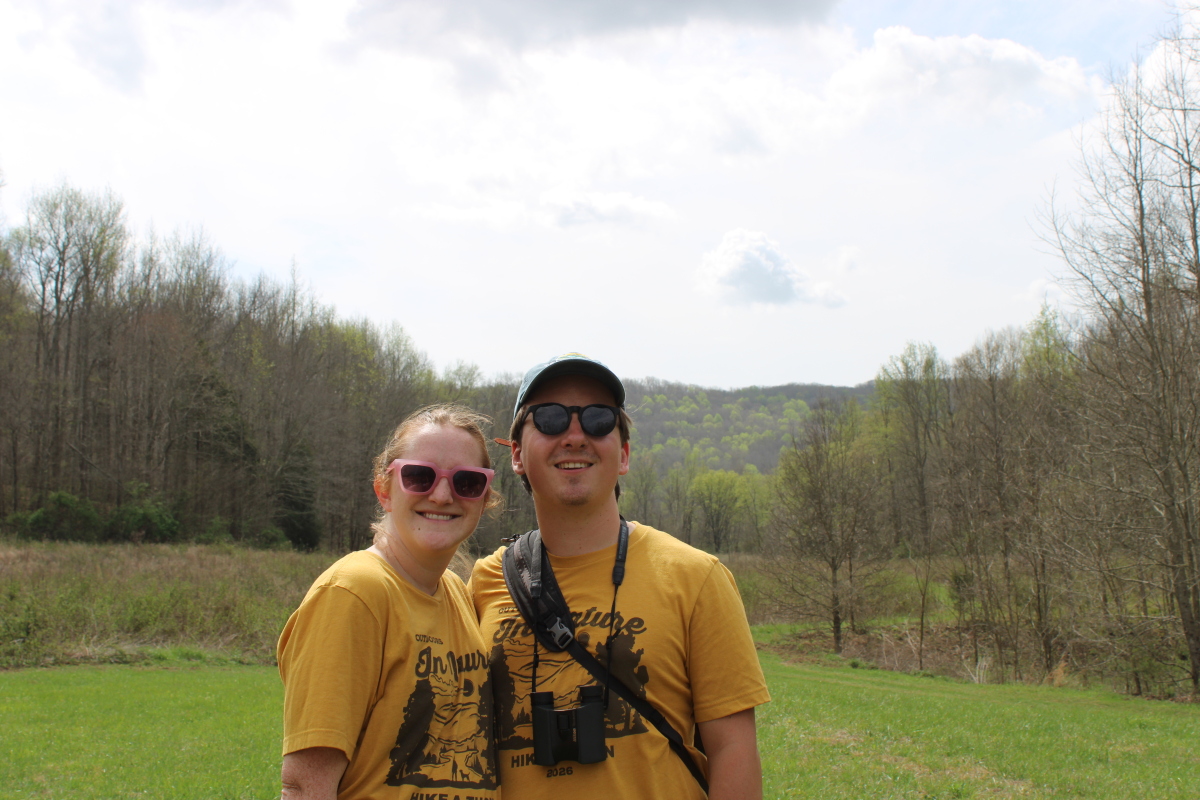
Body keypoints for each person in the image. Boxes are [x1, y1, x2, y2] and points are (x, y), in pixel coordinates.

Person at [470, 354, 770, 799]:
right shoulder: (482, 583)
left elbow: (733, 751)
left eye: (598, 419)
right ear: (516, 455)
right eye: (550, 419)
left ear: (624, 454)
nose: (575, 436)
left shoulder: (696, 577)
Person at [278, 404, 500, 800]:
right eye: (420, 476)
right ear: (384, 489)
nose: (444, 494)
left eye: (467, 482)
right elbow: (304, 786)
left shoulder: (456, 594)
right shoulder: (353, 593)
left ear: (483, 499)